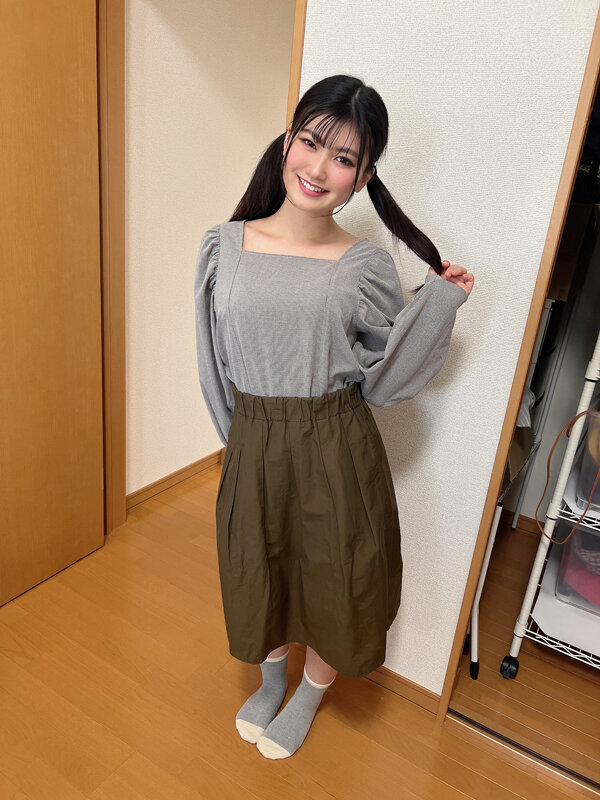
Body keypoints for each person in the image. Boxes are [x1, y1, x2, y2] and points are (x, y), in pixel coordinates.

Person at [194, 74, 474, 760]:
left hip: (335, 446)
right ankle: (271, 682)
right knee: (258, 571)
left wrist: (437, 304)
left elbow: (385, 380)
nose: (319, 168)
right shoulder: (224, 246)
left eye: (343, 157)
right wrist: (241, 448)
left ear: (364, 177)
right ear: (288, 140)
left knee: (336, 578)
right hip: (253, 441)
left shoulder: (363, 265)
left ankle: (309, 695)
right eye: (312, 142)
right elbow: (212, 360)